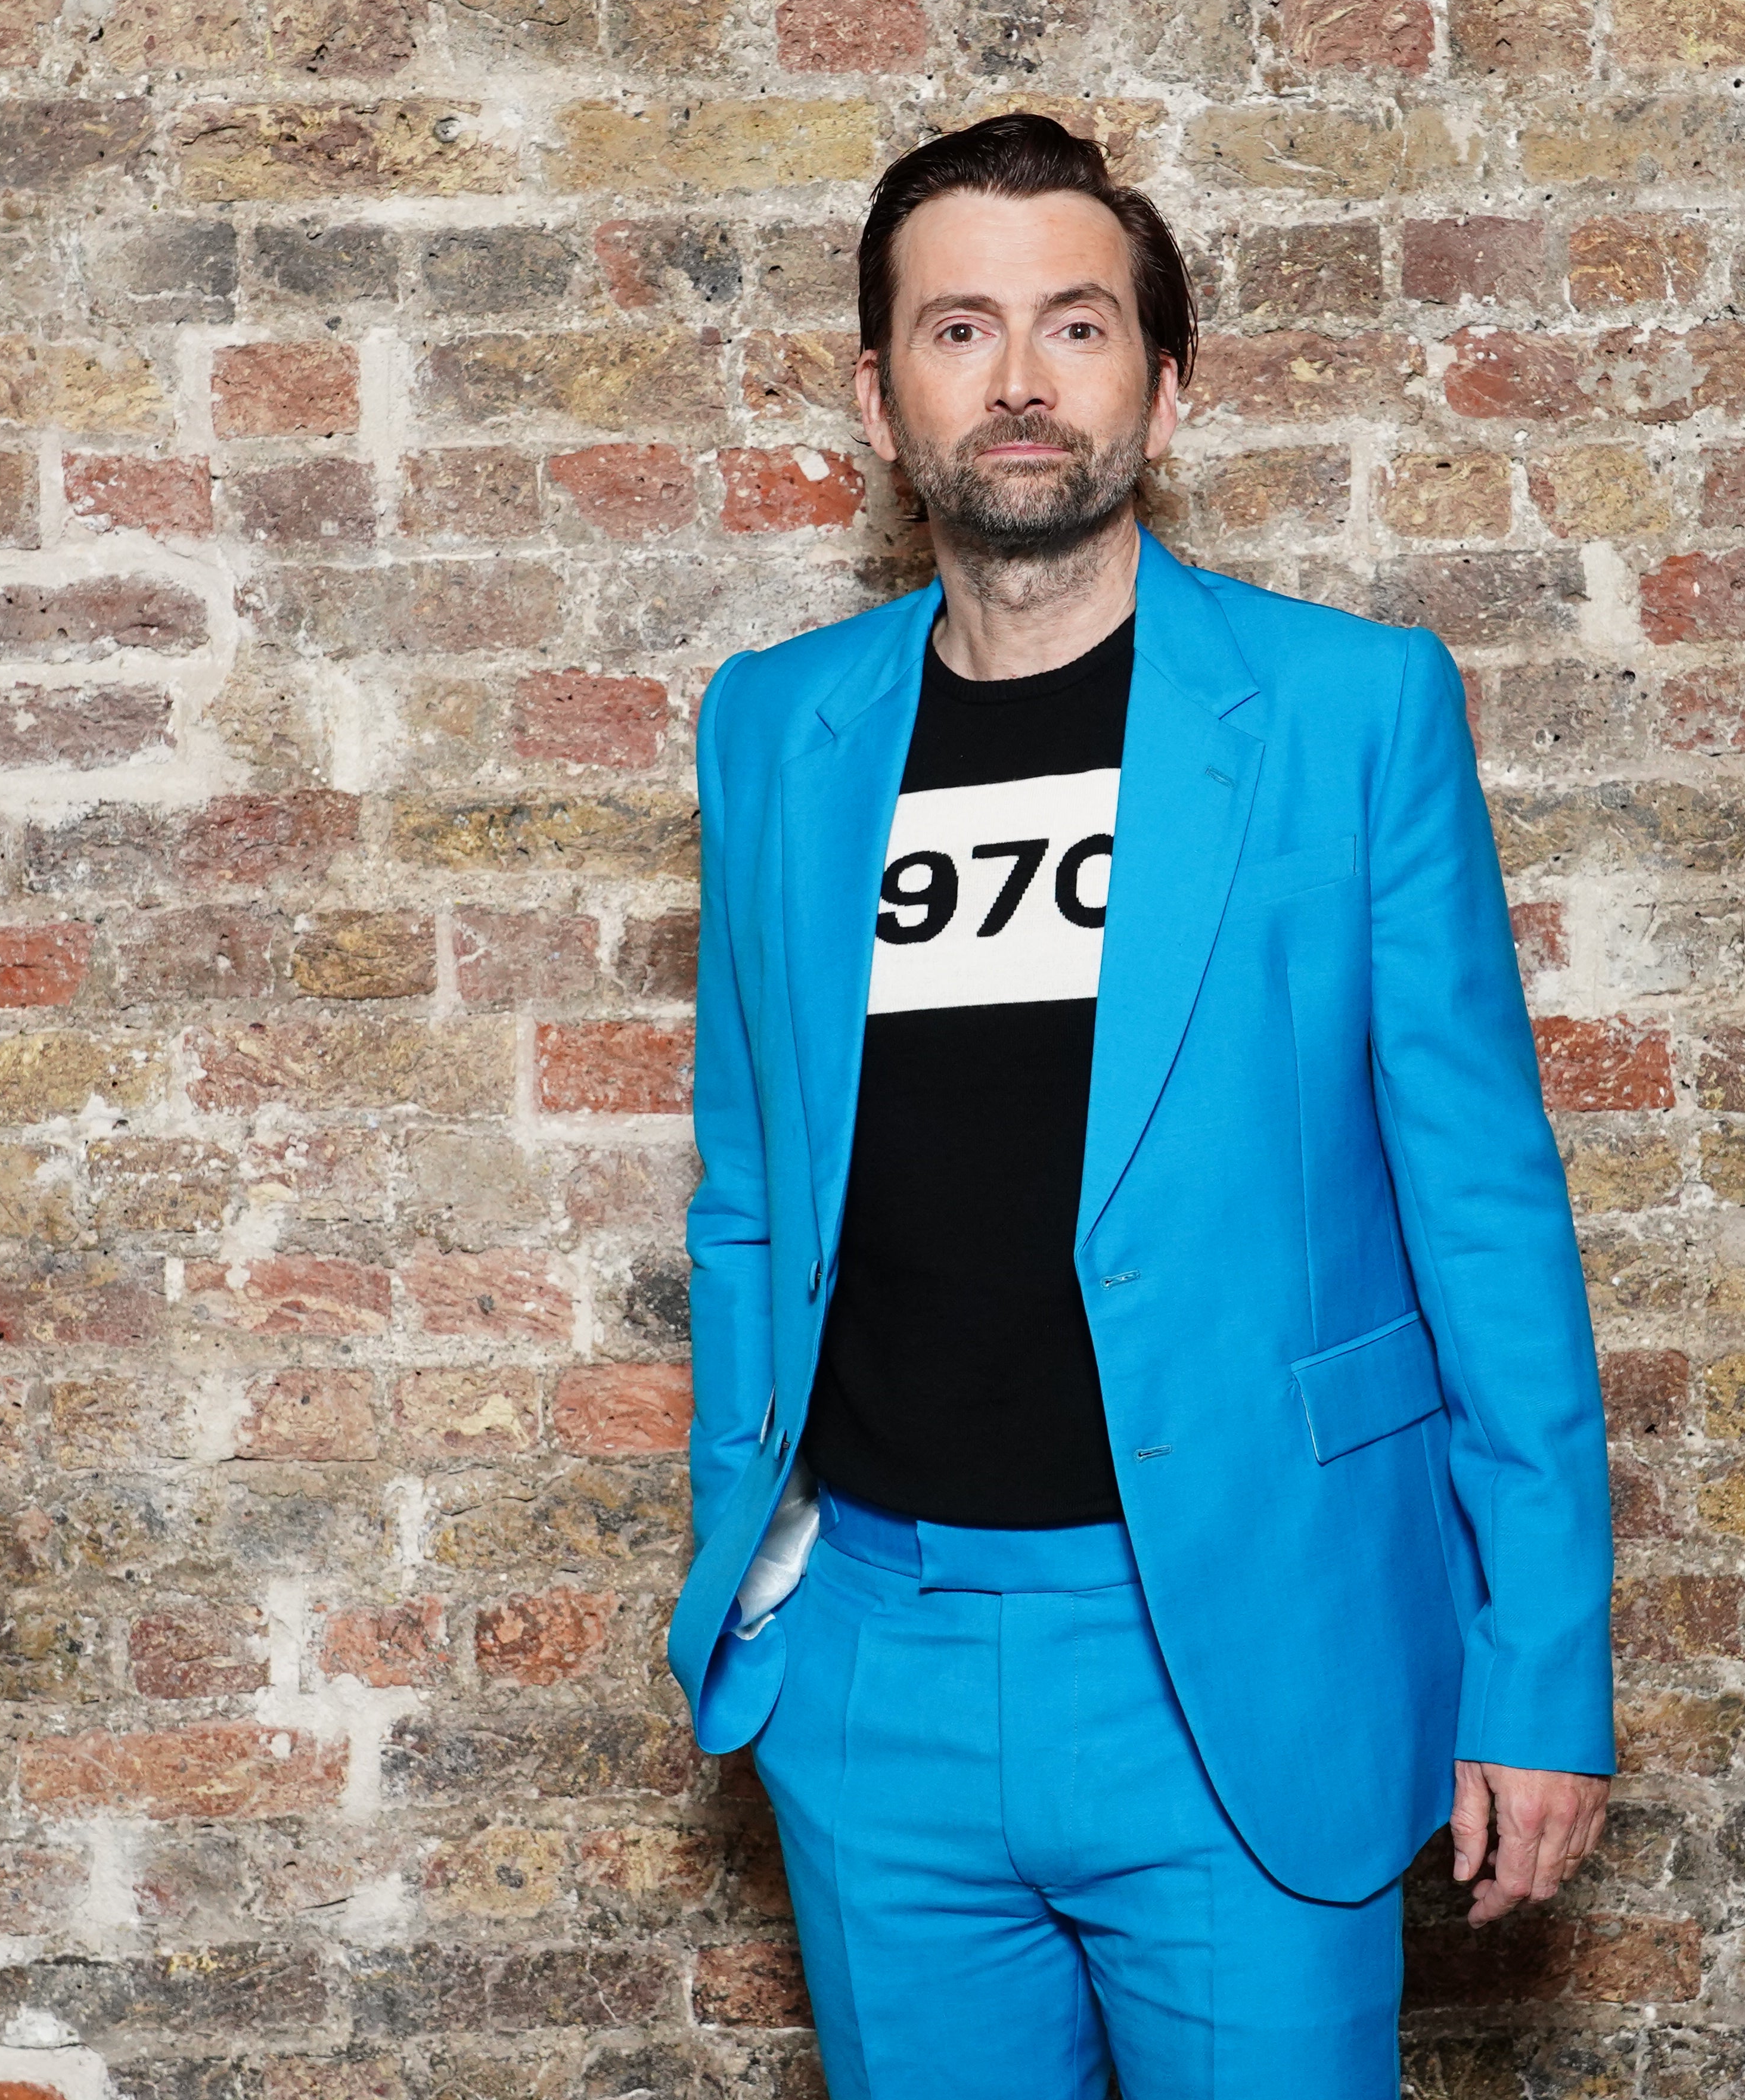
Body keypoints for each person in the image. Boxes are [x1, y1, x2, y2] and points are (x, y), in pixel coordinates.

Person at [664, 112, 1615, 2100]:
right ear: (877, 390)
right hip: (877, 1666)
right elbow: (750, 1191)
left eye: (1078, 327)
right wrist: (761, 1590)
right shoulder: (778, 727)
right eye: (959, 330)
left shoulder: (1352, 715)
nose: (1020, 381)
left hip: (1240, 1651)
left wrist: (1540, 1667)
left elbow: (1488, 1220)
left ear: (1166, 387)